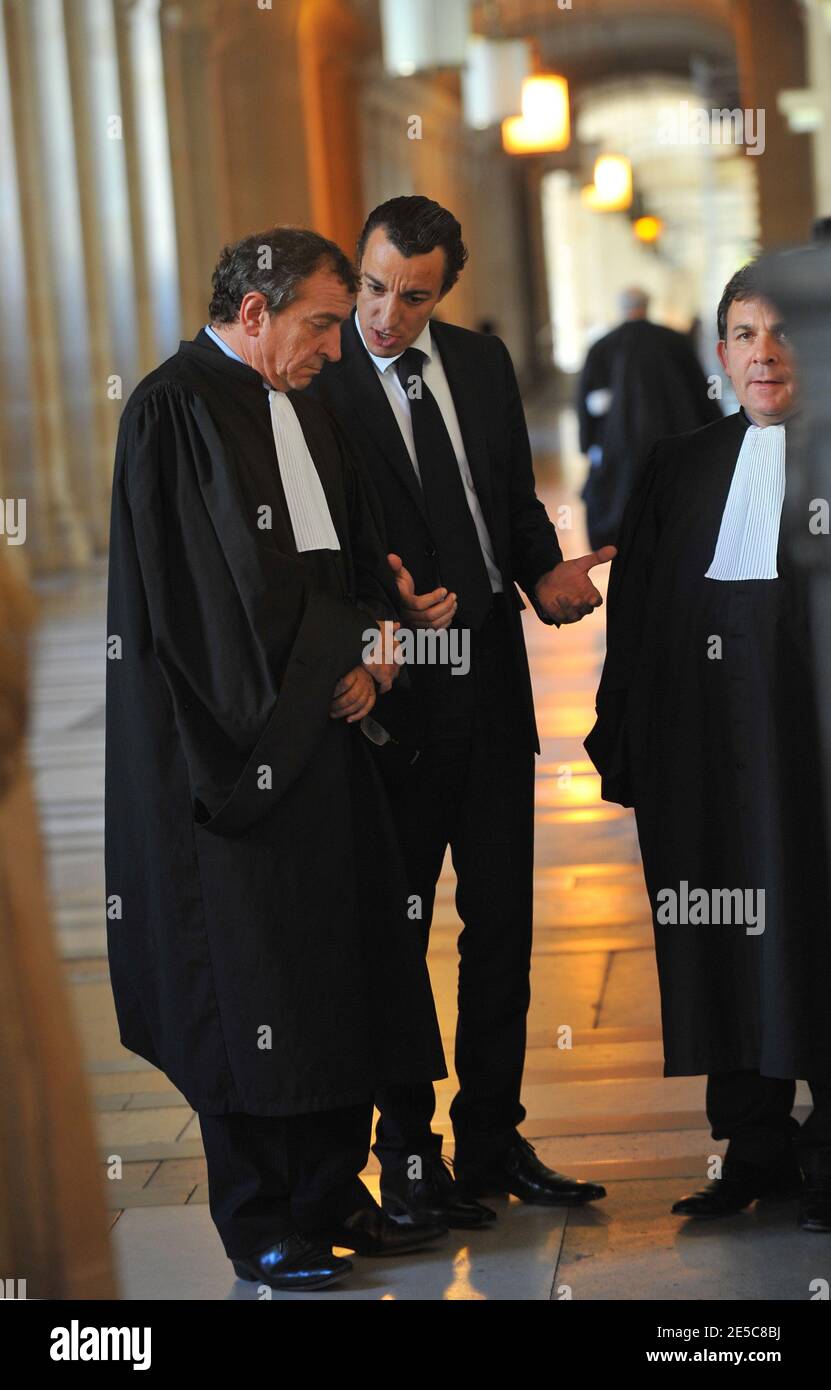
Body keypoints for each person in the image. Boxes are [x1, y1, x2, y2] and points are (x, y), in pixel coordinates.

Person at [105, 227, 448, 1293]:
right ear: (254, 312)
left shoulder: (300, 405)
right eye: (323, 323)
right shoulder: (173, 410)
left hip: (328, 739)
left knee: (339, 965)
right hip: (235, 757)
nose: (339, 349)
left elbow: (349, 562)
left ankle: (330, 1190)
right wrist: (340, 659)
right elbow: (212, 613)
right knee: (252, 980)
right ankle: (259, 1213)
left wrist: (386, 641)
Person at [309, 195, 611, 1228]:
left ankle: (491, 1139)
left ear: (447, 291)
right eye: (376, 286)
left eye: (414, 295)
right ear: (358, 271)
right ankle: (407, 1149)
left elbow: (509, 506)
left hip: (488, 678)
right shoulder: (321, 376)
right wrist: (379, 609)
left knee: (503, 931)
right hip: (394, 695)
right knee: (396, 932)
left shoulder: (478, 367)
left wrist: (543, 577)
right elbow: (306, 543)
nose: (388, 313)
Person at [585, 262, 831, 1232]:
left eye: (782, 334)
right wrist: (627, 734)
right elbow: (638, 613)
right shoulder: (680, 463)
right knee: (725, 945)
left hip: (812, 771)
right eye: (742, 334)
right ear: (719, 352)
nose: (762, 353)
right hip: (707, 768)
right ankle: (751, 1148)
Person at [577, 287, 722, 551]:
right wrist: (715, 431)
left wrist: (589, 444)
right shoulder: (674, 341)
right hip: (674, 435)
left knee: (625, 499)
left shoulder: (603, 345)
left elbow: (587, 400)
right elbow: (700, 391)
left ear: (621, 307)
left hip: (619, 443)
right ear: (647, 305)